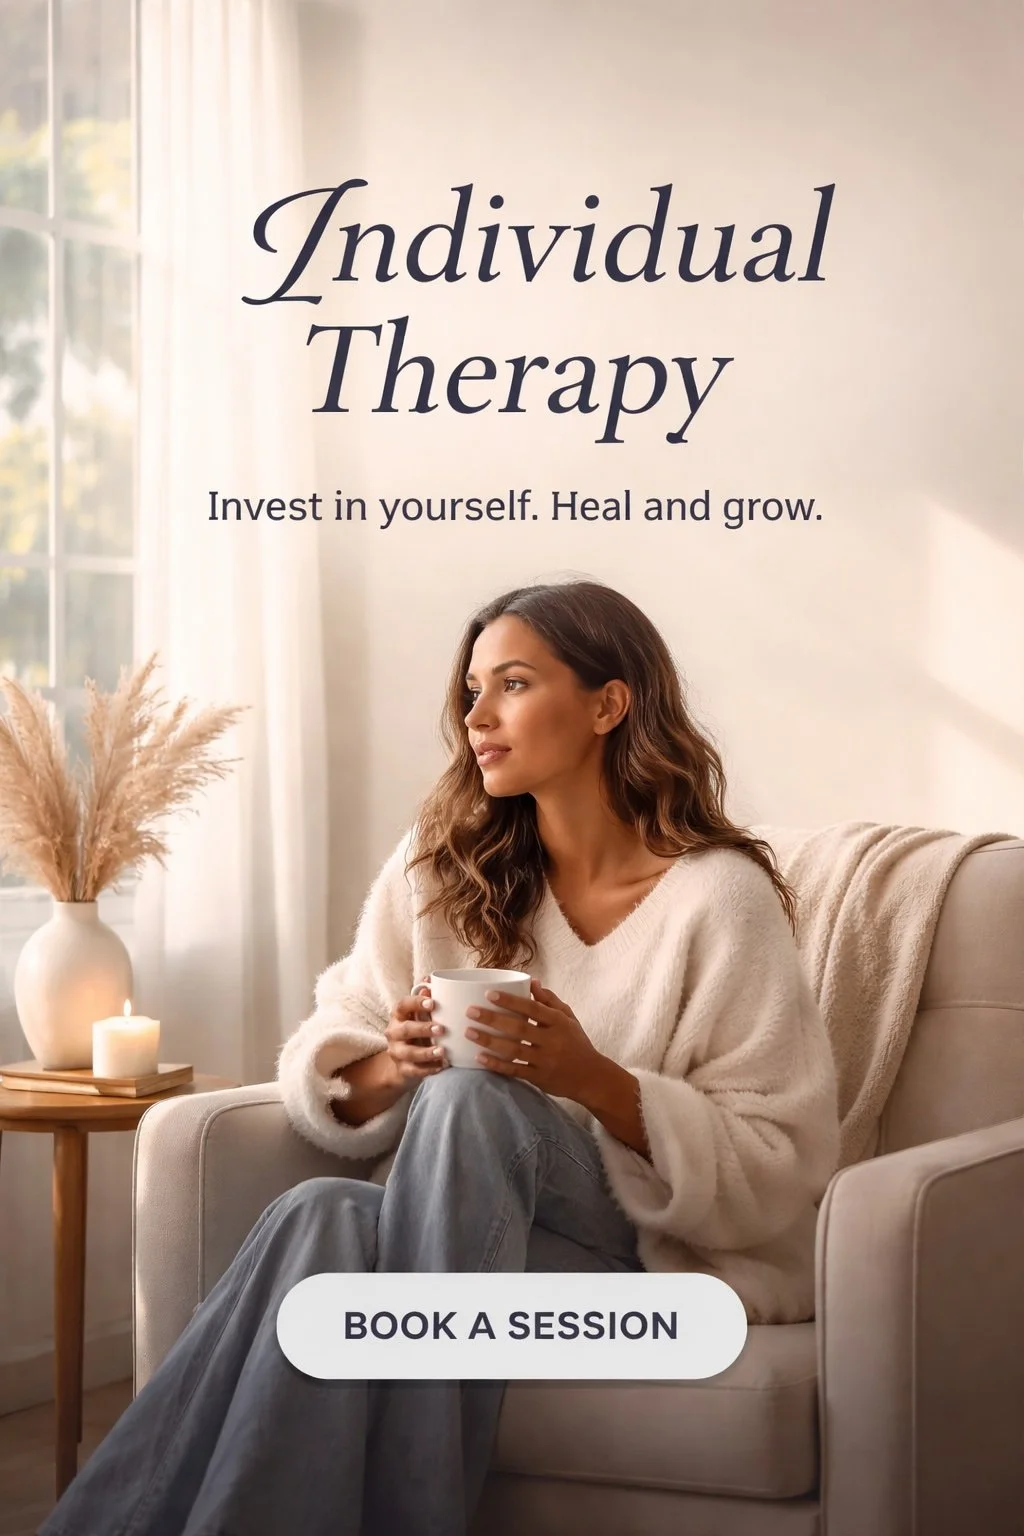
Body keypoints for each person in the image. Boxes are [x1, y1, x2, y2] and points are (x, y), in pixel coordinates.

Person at [39, 578, 839, 1536]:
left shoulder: (720, 898)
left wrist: (586, 1078)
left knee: (474, 1104)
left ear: (607, 704)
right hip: (474, 1237)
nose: (477, 718)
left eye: (511, 685)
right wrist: (395, 1064)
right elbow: (337, 1041)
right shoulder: (442, 865)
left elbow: (779, 1160)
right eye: (470, 693)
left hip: (647, 1264)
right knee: (322, 1212)